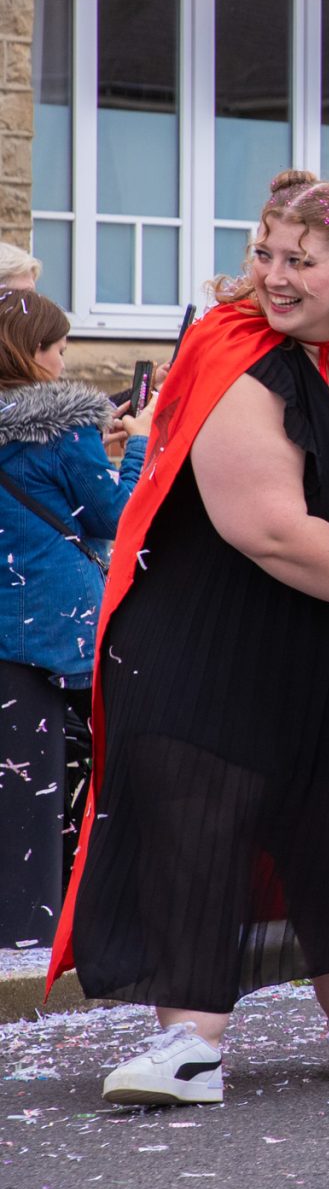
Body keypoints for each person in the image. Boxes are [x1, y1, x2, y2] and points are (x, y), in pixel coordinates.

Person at [56, 172, 329, 1106]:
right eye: (264, 253)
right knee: (202, 818)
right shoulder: (237, 354)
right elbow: (271, 529)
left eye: (301, 259)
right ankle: (191, 1040)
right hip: (219, 640)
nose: (275, 276)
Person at [0, 292, 150, 945]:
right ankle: (72, 919)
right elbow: (115, 516)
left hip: (7, 633)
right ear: (32, 352)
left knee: (17, 787)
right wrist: (137, 447)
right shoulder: (64, 427)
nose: (65, 360)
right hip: (62, 633)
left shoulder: (57, 433)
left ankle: (18, 927)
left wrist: (96, 447)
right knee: (83, 777)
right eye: (59, 348)